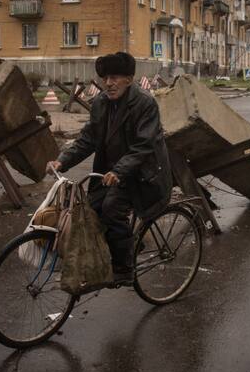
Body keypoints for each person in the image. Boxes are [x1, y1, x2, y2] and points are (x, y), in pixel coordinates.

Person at [46, 52, 172, 285]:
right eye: (105, 78)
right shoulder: (101, 103)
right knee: (87, 209)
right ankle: (123, 246)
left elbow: (143, 146)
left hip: (143, 175)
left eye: (114, 77)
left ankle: (124, 270)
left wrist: (119, 171)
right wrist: (62, 160)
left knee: (112, 207)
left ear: (129, 79)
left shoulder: (145, 104)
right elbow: (87, 139)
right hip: (113, 174)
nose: (109, 83)